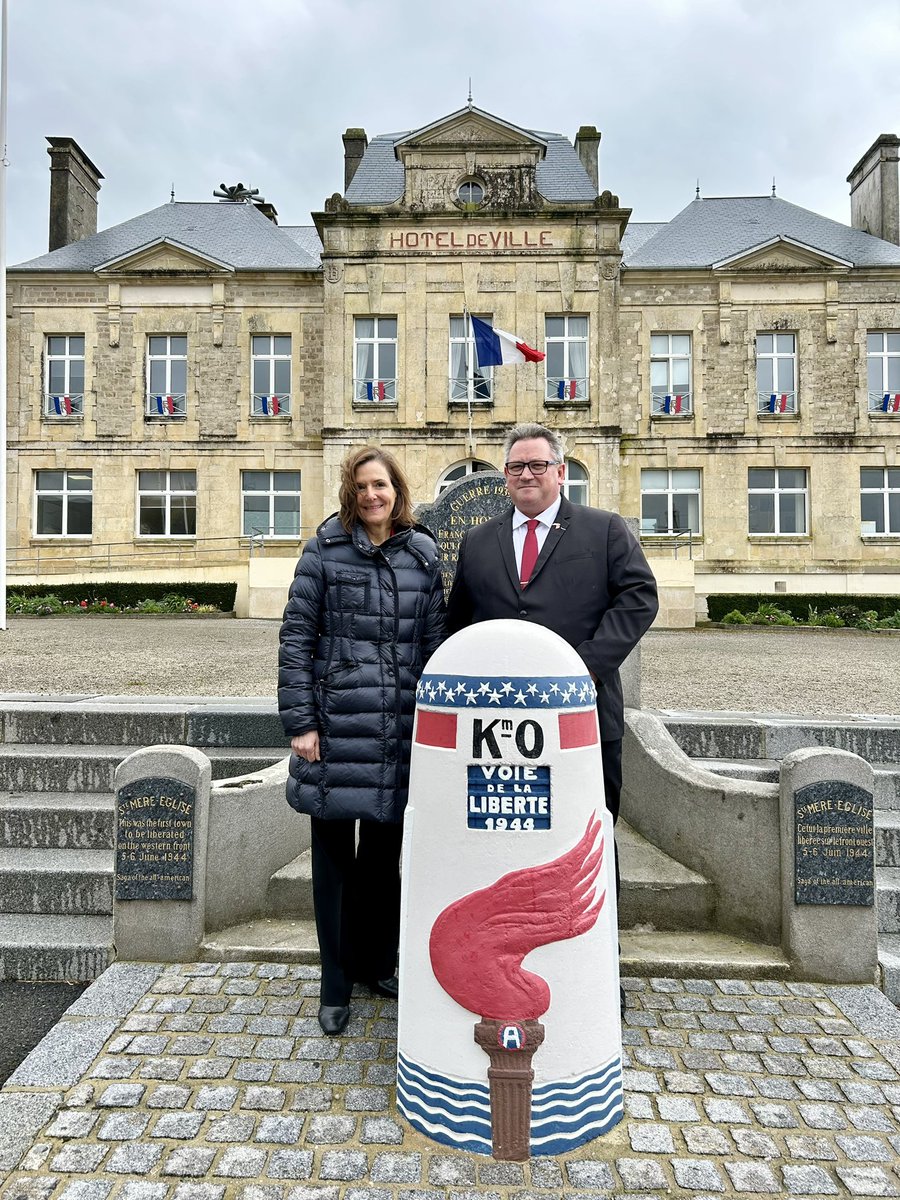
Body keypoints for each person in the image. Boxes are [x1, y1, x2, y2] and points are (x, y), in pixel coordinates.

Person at [278, 446, 446, 1036]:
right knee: (334, 864)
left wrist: (434, 729)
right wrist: (301, 723)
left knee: (382, 861)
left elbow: (433, 647)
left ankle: (378, 963)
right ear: (349, 495)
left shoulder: (423, 555)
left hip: (396, 732)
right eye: (361, 487)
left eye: (381, 485)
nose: (372, 496)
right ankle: (334, 979)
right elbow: (296, 640)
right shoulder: (322, 552)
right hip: (333, 731)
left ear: (396, 490)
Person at [447, 420, 658, 861]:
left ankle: (599, 929)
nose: (527, 475)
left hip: (583, 712)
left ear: (560, 472)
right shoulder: (478, 541)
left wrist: (583, 668)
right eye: (516, 466)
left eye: (538, 465)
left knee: (588, 838)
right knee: (512, 845)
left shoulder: (603, 530)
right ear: (505, 474)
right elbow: (457, 623)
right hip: (498, 724)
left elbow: (640, 598)